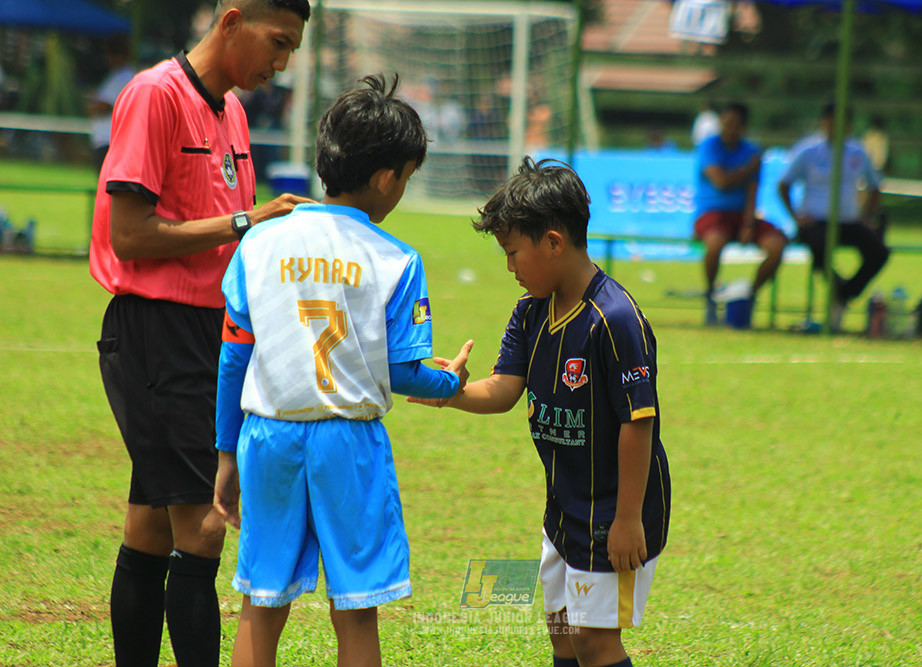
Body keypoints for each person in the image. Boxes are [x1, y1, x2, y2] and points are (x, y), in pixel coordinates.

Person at [212, 73, 472, 667]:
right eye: (406, 179)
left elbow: (234, 356)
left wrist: (226, 451)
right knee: (356, 608)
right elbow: (404, 372)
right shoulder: (397, 259)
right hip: (347, 440)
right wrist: (450, 381)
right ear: (387, 178)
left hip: (267, 436)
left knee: (262, 600)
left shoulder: (259, 243)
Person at [88, 2, 313, 665]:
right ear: (232, 20)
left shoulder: (233, 112)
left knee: (152, 524)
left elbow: (230, 235)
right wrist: (247, 221)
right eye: (277, 42)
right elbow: (127, 236)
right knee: (206, 526)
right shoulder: (156, 94)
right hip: (156, 331)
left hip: (212, 335)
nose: (281, 62)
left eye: (293, 48)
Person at [411, 157, 670, 667]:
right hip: (564, 508)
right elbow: (505, 389)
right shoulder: (531, 311)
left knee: (596, 641)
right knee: (562, 633)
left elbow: (638, 424)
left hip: (615, 508)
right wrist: (452, 392)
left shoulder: (614, 319)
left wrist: (627, 519)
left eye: (513, 252)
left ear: (553, 242)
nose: (509, 267)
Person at [778, 102, 889, 331]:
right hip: (816, 221)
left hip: (849, 221)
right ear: (824, 122)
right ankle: (841, 294)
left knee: (879, 252)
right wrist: (796, 216)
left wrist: (866, 216)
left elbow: (875, 186)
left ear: (849, 126)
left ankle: (843, 294)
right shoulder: (807, 151)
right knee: (818, 245)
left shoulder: (858, 152)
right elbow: (784, 184)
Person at [693, 102, 787, 325]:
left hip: (741, 214)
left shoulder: (751, 151)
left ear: (743, 127)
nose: (729, 129)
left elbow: (752, 191)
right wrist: (747, 170)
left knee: (776, 246)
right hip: (711, 213)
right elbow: (721, 182)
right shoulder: (709, 147)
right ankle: (710, 295)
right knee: (715, 244)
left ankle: (748, 296)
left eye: (735, 124)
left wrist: (748, 224)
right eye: (725, 123)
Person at [87, 33, 135, 173]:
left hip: (109, 141)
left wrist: (90, 106)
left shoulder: (121, 78)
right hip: (114, 141)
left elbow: (103, 107)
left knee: (106, 190)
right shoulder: (123, 76)